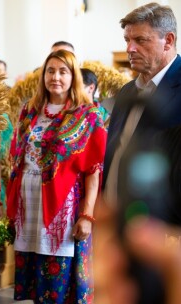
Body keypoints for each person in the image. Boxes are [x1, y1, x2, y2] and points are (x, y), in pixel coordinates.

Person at [6, 49, 107, 303]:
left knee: (60, 282)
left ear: (74, 77)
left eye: (63, 71)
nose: (56, 77)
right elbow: (17, 158)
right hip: (29, 204)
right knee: (35, 279)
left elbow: (93, 171)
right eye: (50, 71)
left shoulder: (87, 115)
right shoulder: (29, 111)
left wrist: (87, 215)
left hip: (64, 206)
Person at [102, 3, 181, 303]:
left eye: (140, 40)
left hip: (166, 231)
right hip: (121, 226)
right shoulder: (126, 93)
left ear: (168, 40)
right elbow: (117, 152)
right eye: (127, 40)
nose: (130, 48)